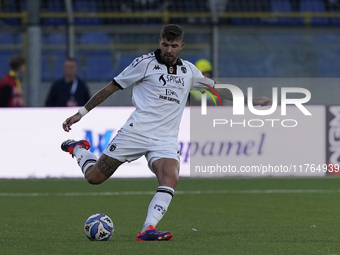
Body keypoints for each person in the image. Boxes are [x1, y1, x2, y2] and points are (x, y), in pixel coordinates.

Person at [60, 24, 271, 241]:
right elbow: (111, 88)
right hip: (136, 133)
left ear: (182, 46)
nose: (169, 50)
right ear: (160, 42)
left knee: (170, 177)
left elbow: (218, 89)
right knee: (94, 178)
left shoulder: (189, 71)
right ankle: (77, 148)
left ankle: (147, 229)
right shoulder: (144, 64)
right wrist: (81, 113)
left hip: (165, 139)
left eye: (174, 46)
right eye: (165, 45)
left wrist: (253, 101)